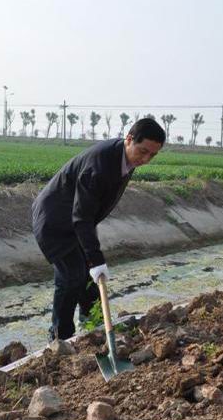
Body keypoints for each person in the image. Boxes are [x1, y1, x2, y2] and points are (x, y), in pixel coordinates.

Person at [32, 118, 165, 340]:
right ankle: (59, 339)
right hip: (54, 222)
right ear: (129, 139)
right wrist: (95, 259)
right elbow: (82, 216)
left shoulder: (126, 158)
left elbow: (87, 213)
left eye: (152, 155)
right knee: (71, 277)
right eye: (143, 151)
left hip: (77, 220)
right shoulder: (99, 166)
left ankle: (92, 329)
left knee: (89, 281)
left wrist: (93, 260)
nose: (145, 159)